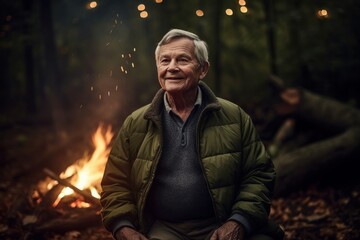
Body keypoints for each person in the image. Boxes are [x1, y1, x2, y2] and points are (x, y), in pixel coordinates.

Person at [100, 29, 283, 240]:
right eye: (165, 60)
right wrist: (124, 228)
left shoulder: (234, 116)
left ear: (203, 69)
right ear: (157, 68)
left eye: (182, 60)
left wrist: (238, 222)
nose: (172, 68)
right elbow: (115, 183)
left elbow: (259, 175)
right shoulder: (136, 123)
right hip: (163, 229)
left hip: (220, 225)